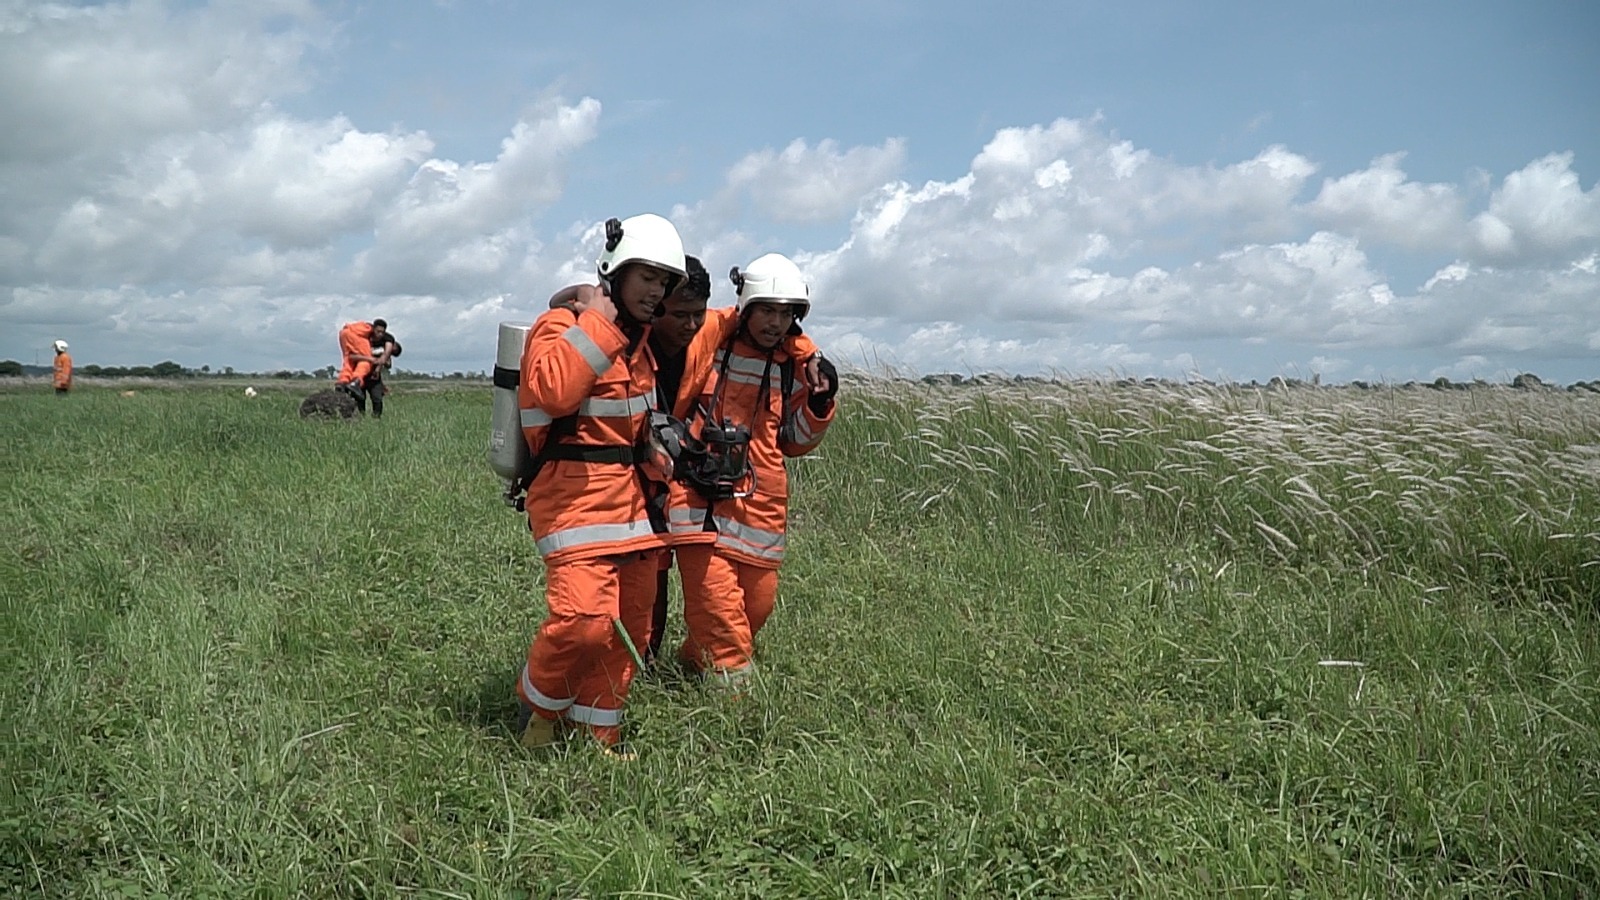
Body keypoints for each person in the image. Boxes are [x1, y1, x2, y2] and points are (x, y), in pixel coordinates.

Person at [514, 213, 686, 756]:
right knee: (584, 623)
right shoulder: (564, 326)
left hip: (632, 509)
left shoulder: (639, 346)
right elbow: (553, 391)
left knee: (624, 634)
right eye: (647, 277)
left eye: (664, 282)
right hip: (572, 501)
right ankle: (540, 708)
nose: (656, 291)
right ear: (616, 270)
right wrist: (595, 318)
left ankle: (598, 737)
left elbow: (633, 425)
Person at [673, 254, 838, 689]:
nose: (775, 322)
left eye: (786, 314)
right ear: (747, 307)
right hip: (697, 497)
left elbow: (794, 442)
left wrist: (820, 406)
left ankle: (690, 663)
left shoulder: (794, 365)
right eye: (767, 310)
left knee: (756, 608)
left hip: (758, 504)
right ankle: (737, 707)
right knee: (720, 614)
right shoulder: (712, 340)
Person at [358, 319, 403, 418]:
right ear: (373, 330)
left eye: (382, 332)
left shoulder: (386, 342)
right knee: (360, 398)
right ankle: (360, 419)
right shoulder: (365, 337)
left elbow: (387, 362)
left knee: (377, 399)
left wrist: (380, 366)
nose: (380, 334)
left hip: (374, 376)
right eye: (378, 331)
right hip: (360, 373)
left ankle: (376, 420)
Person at [334, 320, 383, 405]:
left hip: (343, 334)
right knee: (366, 360)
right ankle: (355, 382)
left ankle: (342, 382)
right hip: (355, 335)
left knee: (348, 360)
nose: (380, 334)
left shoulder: (359, 327)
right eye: (378, 332)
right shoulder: (385, 337)